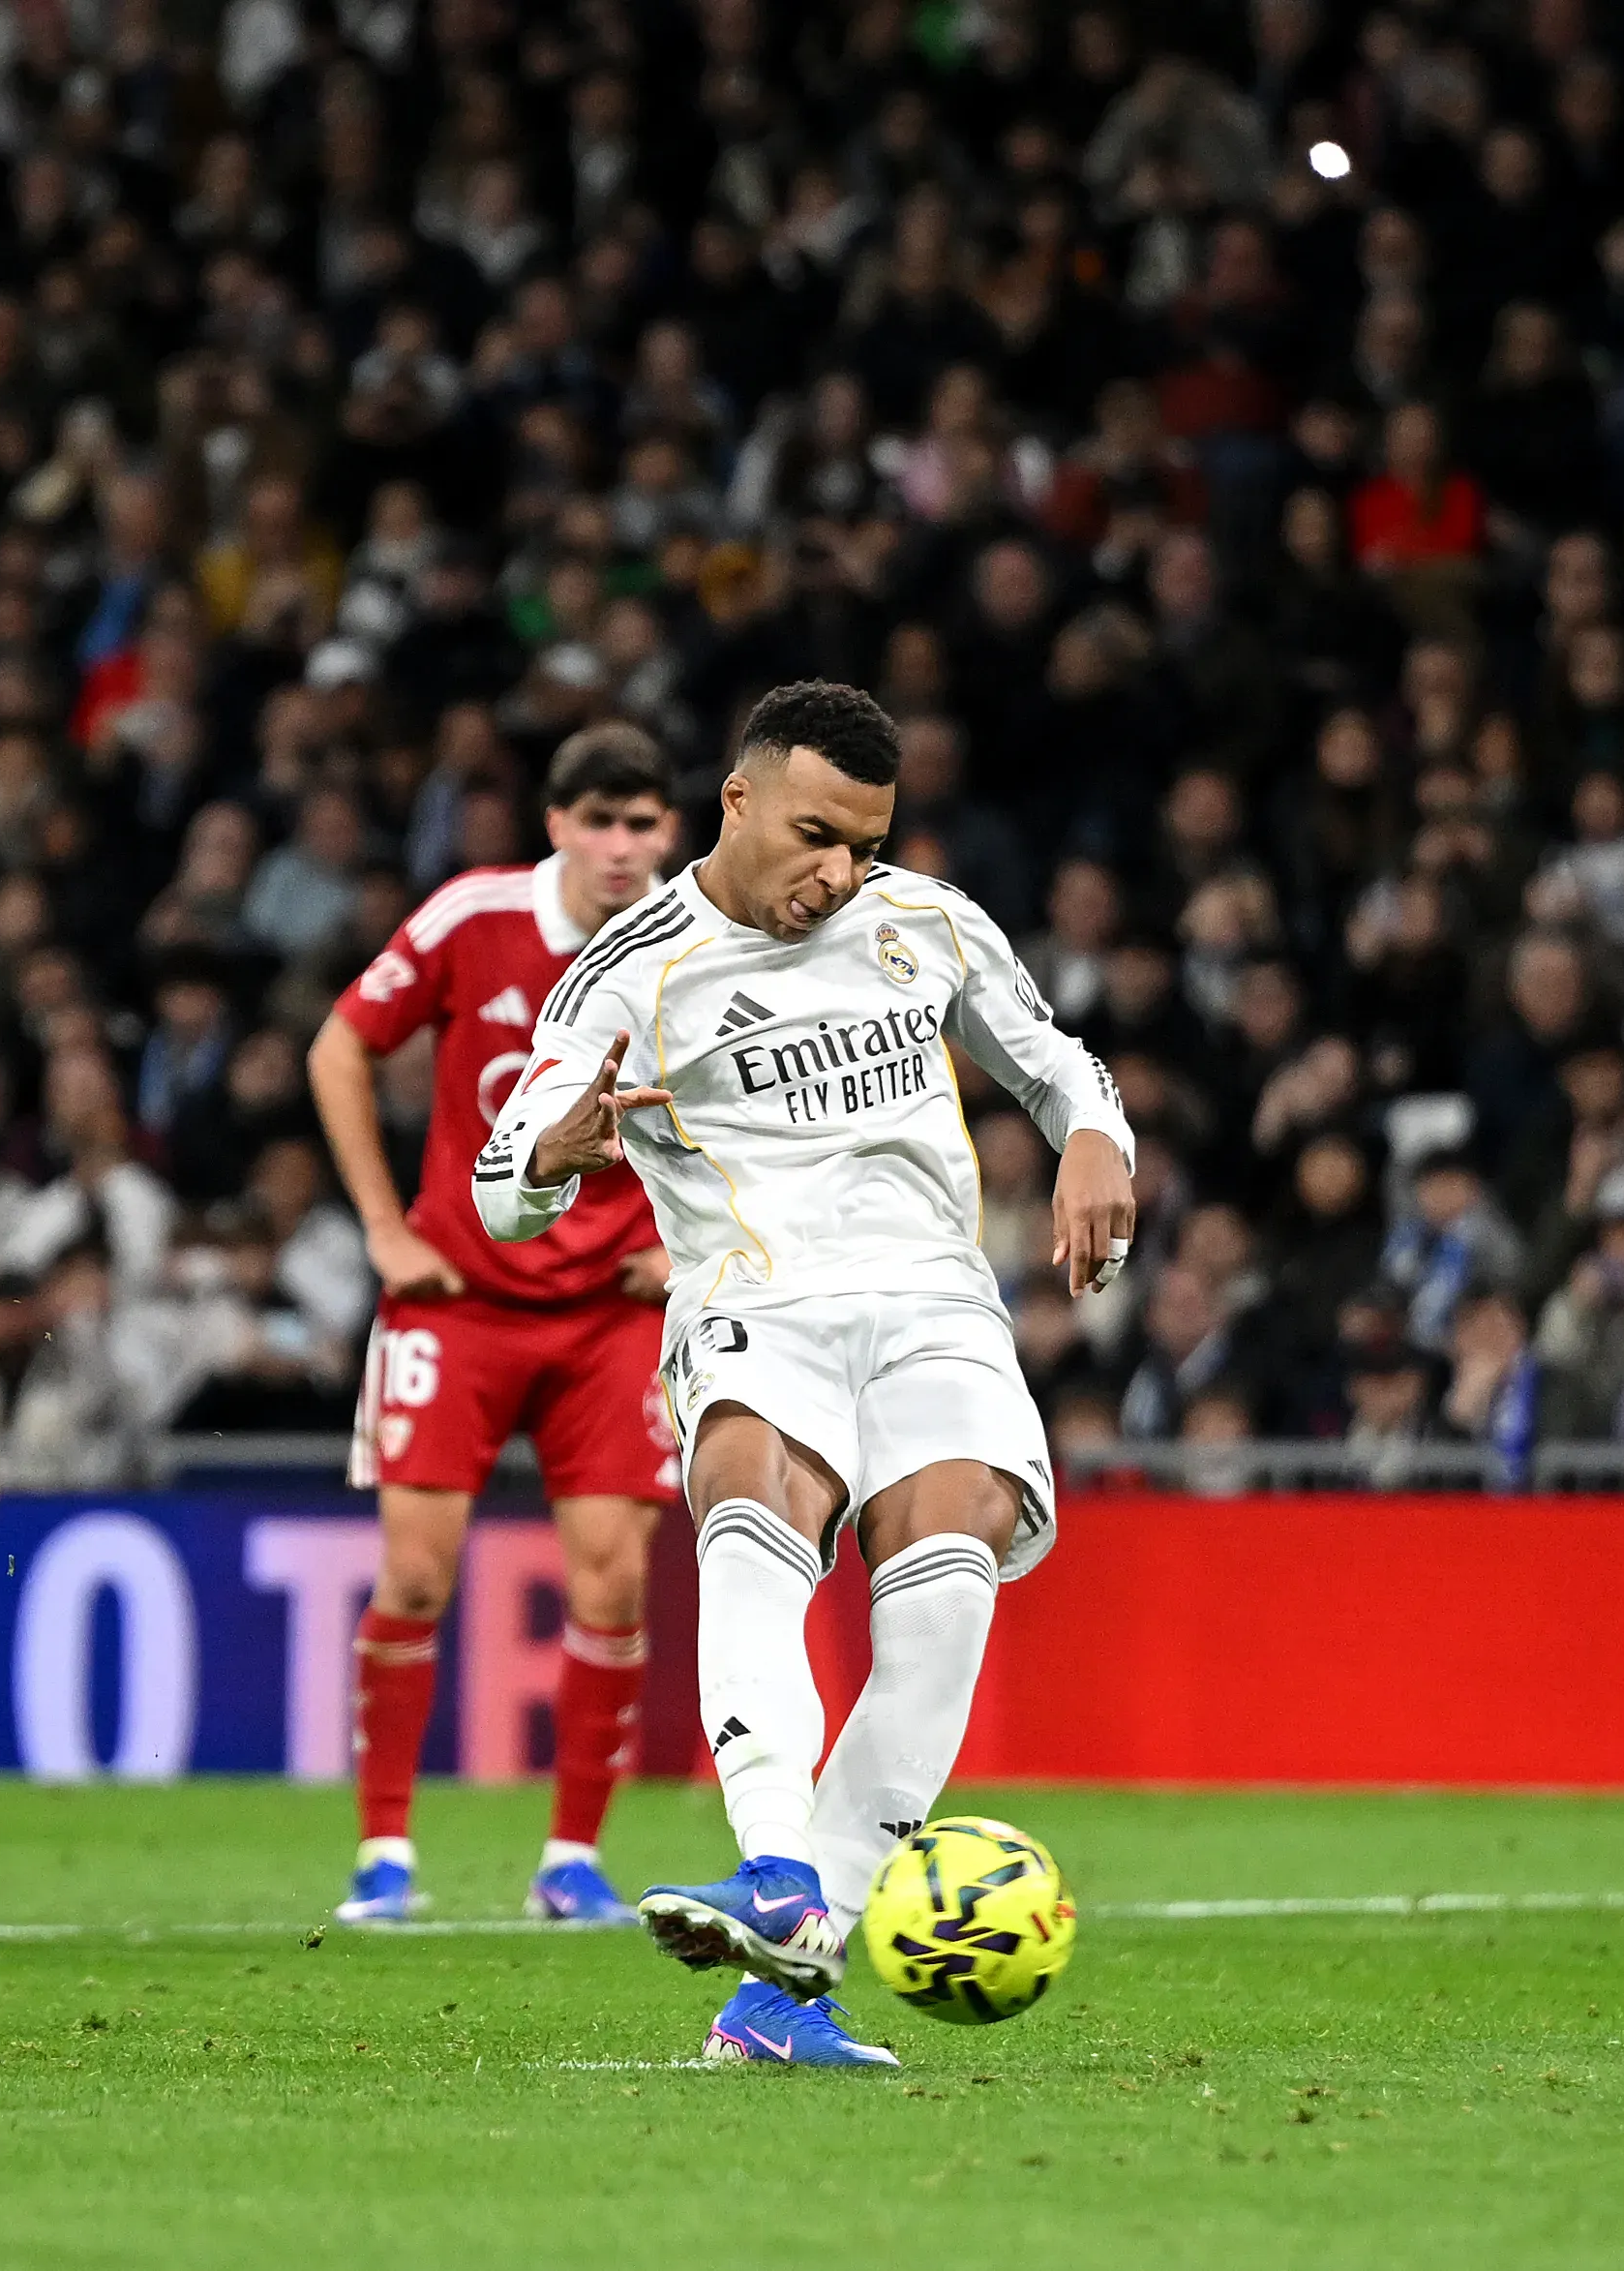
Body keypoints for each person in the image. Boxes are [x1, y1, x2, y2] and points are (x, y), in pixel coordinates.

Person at [475, 681, 1135, 2068]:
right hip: (754, 1304)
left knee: (948, 1572)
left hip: (930, 1305)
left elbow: (1057, 1060)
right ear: (737, 800)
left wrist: (1093, 1140)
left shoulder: (922, 921)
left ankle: (786, 1979)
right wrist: (555, 1149)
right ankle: (773, 1865)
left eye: (864, 841)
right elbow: (500, 1182)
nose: (836, 872)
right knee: (745, 1493)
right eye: (814, 833)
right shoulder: (626, 969)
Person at [304, 723, 681, 1926]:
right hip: (457, 1298)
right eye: (601, 822)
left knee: (613, 1584)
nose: (624, 847)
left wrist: (685, 1239)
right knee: (416, 1574)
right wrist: (380, 1223)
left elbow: (741, 1102)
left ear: (668, 830)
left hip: (611, 1312)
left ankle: (571, 1861)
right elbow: (339, 1047)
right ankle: (383, 1856)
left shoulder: (694, 942)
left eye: (643, 824)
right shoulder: (474, 917)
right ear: (558, 826)